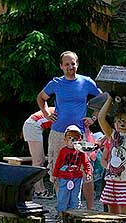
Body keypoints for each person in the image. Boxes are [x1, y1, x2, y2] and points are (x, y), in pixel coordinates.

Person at [36, 51, 100, 210]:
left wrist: (93, 118)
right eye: (67, 64)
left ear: (77, 64)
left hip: (80, 134)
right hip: (58, 133)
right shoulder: (56, 83)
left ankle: (88, 210)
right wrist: (46, 114)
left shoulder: (86, 82)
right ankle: (62, 210)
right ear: (61, 66)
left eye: (73, 63)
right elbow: (41, 97)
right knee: (59, 172)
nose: (70, 67)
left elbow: (103, 99)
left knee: (86, 172)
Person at [97, 95, 126, 215]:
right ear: (115, 122)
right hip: (112, 180)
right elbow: (101, 118)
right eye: (119, 121)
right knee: (113, 216)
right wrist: (109, 99)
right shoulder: (113, 135)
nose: (122, 124)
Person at [52, 125, 92, 223]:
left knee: (75, 198)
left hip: (77, 178)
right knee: (62, 197)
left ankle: (73, 216)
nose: (72, 140)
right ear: (65, 139)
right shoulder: (63, 151)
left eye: (75, 137)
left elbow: (86, 163)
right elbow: (58, 163)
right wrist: (54, 175)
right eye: (69, 137)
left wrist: (88, 173)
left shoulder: (81, 152)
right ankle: (61, 216)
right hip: (64, 178)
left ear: (80, 139)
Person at [22, 107, 55, 198]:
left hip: (34, 126)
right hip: (32, 125)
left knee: (41, 159)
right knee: (38, 160)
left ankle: (39, 189)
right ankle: (38, 190)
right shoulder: (62, 113)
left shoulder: (61, 109)